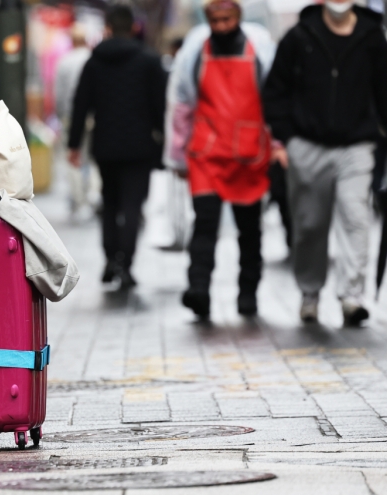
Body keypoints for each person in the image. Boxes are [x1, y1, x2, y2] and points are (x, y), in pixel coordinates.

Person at [263, 0, 387, 326]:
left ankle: (351, 296)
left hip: (356, 145)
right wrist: (286, 138)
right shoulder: (298, 36)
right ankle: (310, 293)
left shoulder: (372, 36)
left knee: (356, 216)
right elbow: (275, 90)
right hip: (307, 145)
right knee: (310, 225)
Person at [164, 0, 275, 318]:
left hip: (249, 156)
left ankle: (248, 294)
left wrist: (279, 145)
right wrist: (177, 158)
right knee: (204, 226)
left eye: (227, 19)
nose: (222, 25)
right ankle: (198, 291)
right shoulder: (195, 51)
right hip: (207, 155)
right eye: (216, 19)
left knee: (250, 230)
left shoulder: (261, 49)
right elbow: (182, 104)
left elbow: (275, 99)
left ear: (238, 16)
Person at [68, 5, 167, 289]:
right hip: (140, 146)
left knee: (110, 203)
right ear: (134, 27)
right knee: (133, 206)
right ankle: (126, 264)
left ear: (108, 28)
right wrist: (166, 142)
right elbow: (161, 107)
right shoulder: (149, 60)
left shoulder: (94, 61)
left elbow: (81, 104)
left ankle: (111, 259)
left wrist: (74, 144)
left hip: (106, 145)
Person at [55, 24, 101, 220]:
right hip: (93, 116)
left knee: (72, 157)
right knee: (92, 156)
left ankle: (78, 199)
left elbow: (59, 93)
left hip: (71, 116)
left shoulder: (64, 62)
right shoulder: (94, 60)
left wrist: (60, 115)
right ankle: (95, 194)